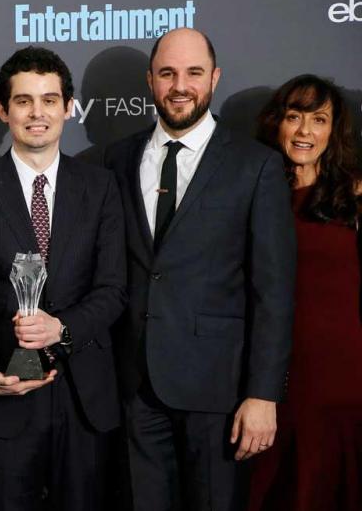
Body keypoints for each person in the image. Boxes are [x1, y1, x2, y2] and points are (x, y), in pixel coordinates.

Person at [102, 28, 297, 511]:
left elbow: (273, 292)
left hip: (220, 394)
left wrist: (263, 394)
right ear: (150, 80)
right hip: (135, 390)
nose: (180, 86)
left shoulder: (255, 166)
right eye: (167, 73)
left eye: (193, 73)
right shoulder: (116, 159)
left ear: (215, 77)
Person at [0, 46, 127, 511]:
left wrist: (61, 327)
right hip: (4, 389)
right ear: (2, 110)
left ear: (69, 107)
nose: (37, 113)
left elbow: (113, 289)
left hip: (84, 396)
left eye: (49, 100)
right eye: (23, 101)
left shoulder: (101, 186)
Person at [248, 74, 362, 511]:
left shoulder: (354, 196)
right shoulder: (251, 193)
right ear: (277, 122)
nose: (305, 132)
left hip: (344, 376)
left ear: (334, 130)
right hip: (274, 374)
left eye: (319, 120)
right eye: (294, 117)